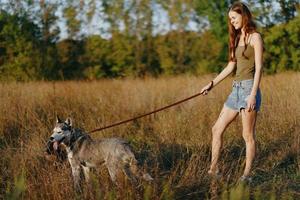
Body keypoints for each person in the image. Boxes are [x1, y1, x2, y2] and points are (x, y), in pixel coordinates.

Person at [200, 2, 264, 182]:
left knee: (247, 136)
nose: (232, 21)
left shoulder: (255, 38)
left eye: (234, 18)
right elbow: (230, 67)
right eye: (230, 19)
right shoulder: (237, 39)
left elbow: (259, 68)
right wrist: (211, 83)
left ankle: (246, 175)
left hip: (248, 89)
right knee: (216, 129)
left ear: (244, 16)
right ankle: (214, 170)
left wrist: (252, 94)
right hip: (235, 89)